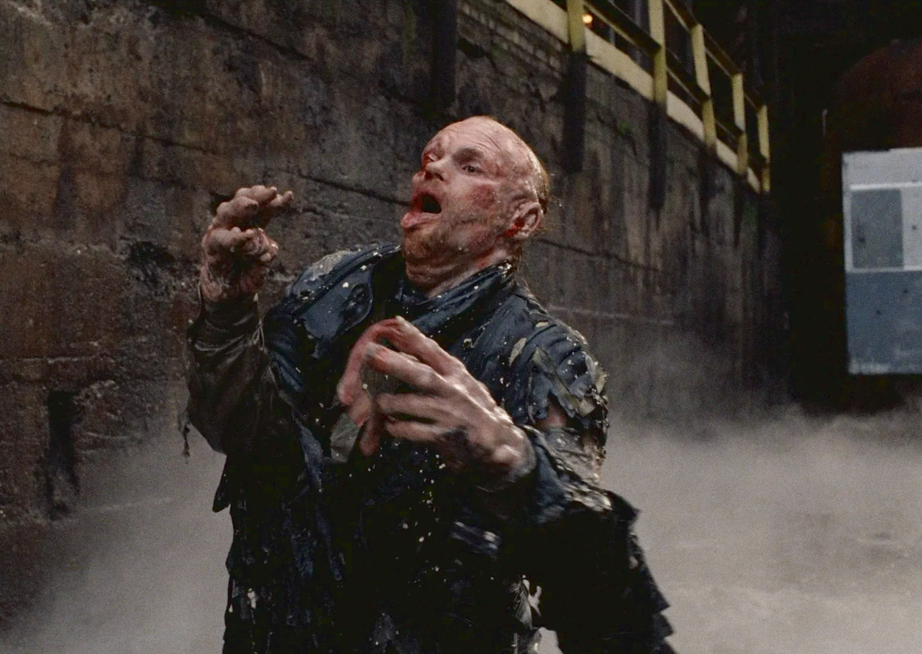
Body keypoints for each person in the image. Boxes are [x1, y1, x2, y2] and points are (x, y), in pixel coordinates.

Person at [186, 116, 674, 654]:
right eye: (431, 157)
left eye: (470, 166)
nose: (434, 167)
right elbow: (242, 433)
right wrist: (227, 313)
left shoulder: (545, 357)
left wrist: (515, 464)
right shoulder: (334, 285)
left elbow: (603, 593)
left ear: (521, 218)